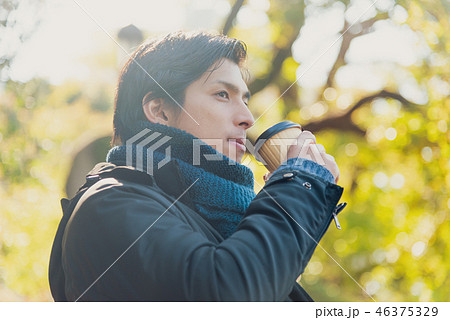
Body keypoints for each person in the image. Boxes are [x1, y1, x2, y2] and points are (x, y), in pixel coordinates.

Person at [49, 31, 344, 301]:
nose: (247, 118)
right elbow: (226, 295)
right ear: (160, 110)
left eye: (245, 99)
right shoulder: (110, 204)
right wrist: (301, 185)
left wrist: (283, 204)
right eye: (222, 95)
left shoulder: (216, 219)